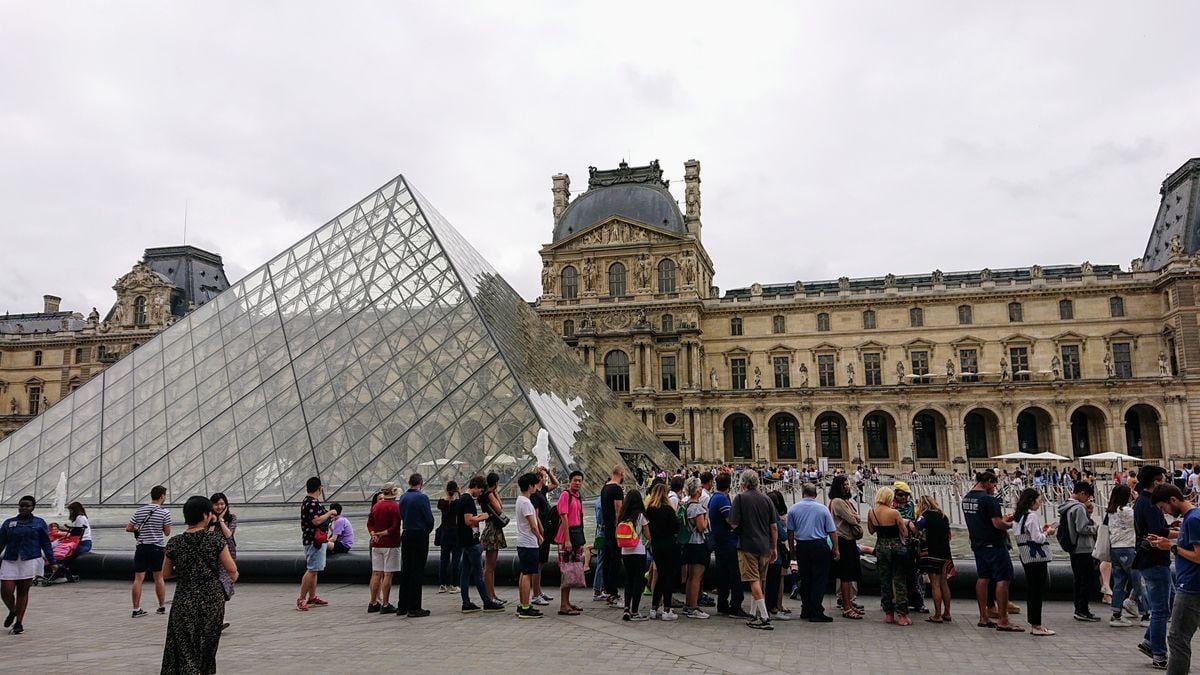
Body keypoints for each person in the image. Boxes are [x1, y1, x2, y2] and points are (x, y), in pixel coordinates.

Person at [160, 495, 238, 675]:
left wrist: (187, 572)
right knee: (206, 651)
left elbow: (165, 574)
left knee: (184, 649)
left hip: (184, 600)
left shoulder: (175, 542)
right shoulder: (215, 540)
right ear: (205, 515)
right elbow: (232, 570)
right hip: (211, 601)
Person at [1148, 484, 1200, 675]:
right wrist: (1169, 542)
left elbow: (1198, 556)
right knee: (1180, 637)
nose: (1166, 513)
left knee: (1177, 639)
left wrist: (1171, 547)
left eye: (1164, 508)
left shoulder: (1193, 520)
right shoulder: (1191, 518)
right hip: (1190, 584)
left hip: (1191, 587)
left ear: (1173, 500)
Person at [961, 471, 1022, 632]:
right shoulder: (989, 499)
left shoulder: (967, 498)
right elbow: (996, 524)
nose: (995, 488)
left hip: (977, 544)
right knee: (1003, 579)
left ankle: (983, 617)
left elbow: (982, 520)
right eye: (994, 484)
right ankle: (1003, 619)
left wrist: (1003, 519)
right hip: (994, 545)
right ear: (988, 482)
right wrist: (1012, 525)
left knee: (983, 578)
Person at [1134, 465, 1173, 669]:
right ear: (1155, 481)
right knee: (1160, 610)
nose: (1165, 482)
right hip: (1155, 560)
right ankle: (1159, 654)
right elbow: (1157, 531)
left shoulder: (1142, 501)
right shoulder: (1149, 503)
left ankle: (1150, 641)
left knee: (1169, 600)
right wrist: (1179, 533)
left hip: (1151, 560)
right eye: (1163, 479)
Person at [729, 469, 778, 630]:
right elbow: (774, 527)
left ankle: (764, 617)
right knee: (759, 580)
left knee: (753, 580)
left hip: (747, 545)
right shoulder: (766, 499)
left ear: (743, 483)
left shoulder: (740, 498)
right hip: (764, 546)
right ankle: (753, 613)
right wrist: (774, 547)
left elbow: (734, 524)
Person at [0, 496, 54, 635]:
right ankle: (13, 610)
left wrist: (53, 561)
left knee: (23, 591)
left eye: (27, 506)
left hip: (30, 559)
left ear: (33, 507)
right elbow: (1, 542)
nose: (23, 508)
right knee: (6, 591)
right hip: (11, 559)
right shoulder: (9, 522)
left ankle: (18, 623)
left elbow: (46, 544)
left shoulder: (39, 523)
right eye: (21, 505)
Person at [786, 483, 837, 622]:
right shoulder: (823, 509)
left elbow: (790, 532)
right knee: (819, 579)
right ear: (816, 494)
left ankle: (806, 609)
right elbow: (832, 531)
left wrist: (792, 551)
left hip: (802, 546)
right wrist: (836, 549)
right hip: (819, 546)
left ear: (803, 493)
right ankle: (816, 611)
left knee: (805, 578)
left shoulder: (793, 509)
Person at [1012, 488, 1055, 636]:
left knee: (1032, 590)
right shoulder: (1031, 516)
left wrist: (1040, 530)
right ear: (1032, 501)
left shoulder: (1018, 517)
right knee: (1037, 591)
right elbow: (1038, 539)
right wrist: (1047, 532)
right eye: (1038, 499)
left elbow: (1027, 534)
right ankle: (1036, 625)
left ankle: (1035, 623)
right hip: (1036, 558)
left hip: (1025, 556)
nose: (1040, 502)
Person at [457, 476, 503, 613]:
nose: (480, 493)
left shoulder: (461, 499)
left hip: (463, 540)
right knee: (478, 573)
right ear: (475, 486)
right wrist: (484, 516)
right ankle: (487, 602)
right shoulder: (468, 500)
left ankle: (466, 602)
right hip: (471, 541)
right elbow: (469, 521)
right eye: (480, 490)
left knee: (465, 573)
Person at [127, 485, 172, 618]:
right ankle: (161, 606)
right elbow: (167, 532)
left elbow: (129, 528)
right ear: (162, 496)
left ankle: (136, 609)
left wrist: (138, 530)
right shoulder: (165, 513)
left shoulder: (139, 511)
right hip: (157, 547)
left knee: (138, 579)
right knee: (158, 578)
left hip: (141, 547)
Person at [869, 486, 910, 626]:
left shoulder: (871, 512)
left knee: (885, 581)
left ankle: (889, 614)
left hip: (880, 547)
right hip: (896, 548)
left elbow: (870, 530)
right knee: (899, 581)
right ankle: (902, 615)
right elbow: (904, 533)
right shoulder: (894, 513)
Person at [709, 472, 748, 618]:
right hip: (728, 542)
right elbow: (731, 521)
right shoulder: (722, 500)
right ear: (730, 485)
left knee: (723, 575)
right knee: (735, 575)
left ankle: (722, 604)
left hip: (719, 542)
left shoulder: (714, 498)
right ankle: (735, 606)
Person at [398, 473, 434, 618]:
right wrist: (426, 532)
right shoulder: (422, 497)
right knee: (417, 571)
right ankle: (414, 607)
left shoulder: (403, 497)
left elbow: (401, 515)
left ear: (409, 482)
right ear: (421, 483)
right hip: (419, 535)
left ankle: (402, 606)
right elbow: (429, 519)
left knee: (406, 570)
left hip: (406, 534)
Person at [297, 476, 335, 612]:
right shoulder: (312, 503)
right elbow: (316, 521)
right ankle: (301, 599)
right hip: (314, 540)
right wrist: (330, 512)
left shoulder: (307, 502)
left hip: (312, 540)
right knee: (312, 569)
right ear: (319, 488)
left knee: (315, 570)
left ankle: (312, 597)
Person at [829, 476, 863, 619]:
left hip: (849, 541)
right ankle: (846, 607)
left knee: (849, 576)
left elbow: (856, 517)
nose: (848, 487)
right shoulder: (837, 502)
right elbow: (853, 519)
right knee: (845, 576)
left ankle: (849, 603)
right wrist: (855, 517)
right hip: (843, 541)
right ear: (839, 487)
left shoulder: (844, 501)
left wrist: (855, 517)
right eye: (845, 485)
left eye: (848, 484)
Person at [644, 483, 680, 621]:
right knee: (668, 577)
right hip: (669, 545)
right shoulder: (668, 510)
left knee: (659, 577)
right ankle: (667, 609)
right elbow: (676, 527)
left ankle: (654, 608)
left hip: (656, 545)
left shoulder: (650, 510)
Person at [915, 494, 953, 624]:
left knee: (935, 584)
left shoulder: (925, 516)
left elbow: (916, 527)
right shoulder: (944, 516)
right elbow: (949, 535)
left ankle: (937, 615)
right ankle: (947, 613)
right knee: (944, 583)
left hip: (931, 553)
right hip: (945, 553)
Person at [1105, 484, 1138, 627]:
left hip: (1115, 549)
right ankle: (1146, 613)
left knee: (1119, 582)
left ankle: (1116, 614)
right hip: (1128, 548)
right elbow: (1138, 522)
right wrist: (1138, 499)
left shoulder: (1111, 511)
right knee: (1138, 580)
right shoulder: (1128, 511)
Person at [366, 482, 402, 614]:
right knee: (388, 574)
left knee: (376, 573)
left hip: (376, 544)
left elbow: (369, 523)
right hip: (391, 543)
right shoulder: (395, 507)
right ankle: (385, 604)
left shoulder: (376, 506)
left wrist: (373, 534)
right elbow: (395, 527)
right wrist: (383, 533)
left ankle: (373, 602)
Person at [514, 472, 545, 619]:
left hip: (522, 542)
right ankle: (525, 607)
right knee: (527, 575)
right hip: (529, 543)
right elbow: (533, 524)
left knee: (524, 573)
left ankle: (523, 604)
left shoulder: (520, 500)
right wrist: (539, 536)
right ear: (530, 486)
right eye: (534, 485)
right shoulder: (526, 502)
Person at [555, 471, 586, 615]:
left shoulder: (578, 496)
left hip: (576, 536)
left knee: (572, 570)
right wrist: (567, 540)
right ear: (569, 481)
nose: (577, 483)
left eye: (580, 481)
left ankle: (567, 601)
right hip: (567, 537)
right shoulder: (565, 495)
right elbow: (564, 518)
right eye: (575, 480)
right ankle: (563, 604)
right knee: (566, 570)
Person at [679, 477, 710, 619]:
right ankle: (693, 607)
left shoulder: (685, 505)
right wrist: (706, 514)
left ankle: (688, 605)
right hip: (697, 544)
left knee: (691, 577)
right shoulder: (697, 508)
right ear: (698, 491)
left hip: (688, 544)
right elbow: (702, 527)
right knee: (697, 577)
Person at [617, 489, 650, 621]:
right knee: (638, 581)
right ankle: (635, 611)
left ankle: (626, 608)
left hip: (625, 551)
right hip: (638, 551)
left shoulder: (622, 515)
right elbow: (648, 535)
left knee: (628, 580)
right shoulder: (641, 516)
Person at [207, 492, 237, 631]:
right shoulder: (207, 518)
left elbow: (229, 534)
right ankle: (216, 619)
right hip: (211, 557)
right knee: (215, 588)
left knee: (223, 587)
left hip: (227, 556)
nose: (219, 506)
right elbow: (208, 536)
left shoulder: (232, 518)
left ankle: (218, 618)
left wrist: (220, 520)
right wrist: (213, 521)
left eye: (222, 504)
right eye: (216, 504)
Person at [529, 466, 558, 606]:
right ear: (539, 478)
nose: (546, 478)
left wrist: (548, 471)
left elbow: (556, 483)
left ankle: (539, 591)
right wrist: (540, 532)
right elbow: (536, 515)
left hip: (545, 531)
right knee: (537, 564)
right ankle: (535, 594)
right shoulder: (535, 495)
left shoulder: (543, 490)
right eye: (543, 476)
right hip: (541, 532)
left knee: (541, 563)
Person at [479, 472, 507, 606]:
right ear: (496, 483)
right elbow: (500, 509)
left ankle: (493, 594)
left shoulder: (484, 495)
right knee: (490, 566)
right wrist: (495, 493)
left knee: (491, 566)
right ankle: (490, 596)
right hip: (493, 531)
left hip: (490, 529)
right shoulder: (489, 495)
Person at [600, 466, 625, 608]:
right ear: (621, 473)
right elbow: (618, 511)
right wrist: (619, 528)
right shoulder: (616, 489)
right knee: (615, 561)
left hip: (607, 529)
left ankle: (607, 590)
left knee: (607, 561)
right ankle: (613, 594)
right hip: (615, 530)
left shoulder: (605, 488)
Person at [436, 481, 461, 595]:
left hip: (444, 533)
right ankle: (454, 585)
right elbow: (462, 505)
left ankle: (442, 584)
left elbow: (439, 505)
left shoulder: (441, 502)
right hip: (455, 533)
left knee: (443, 560)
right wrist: (459, 493)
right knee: (455, 560)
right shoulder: (457, 503)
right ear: (455, 489)